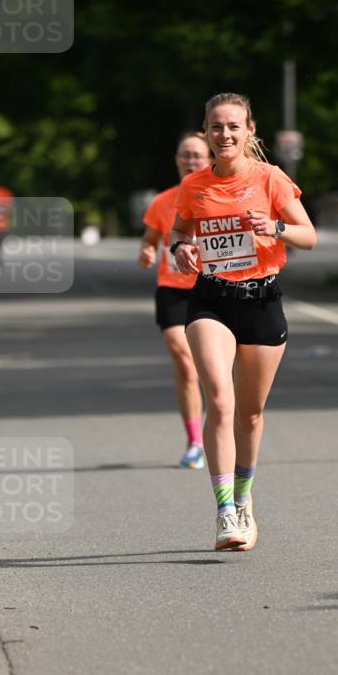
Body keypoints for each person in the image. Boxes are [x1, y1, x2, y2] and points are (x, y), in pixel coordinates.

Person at [169, 92, 316, 551]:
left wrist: (274, 228)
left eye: (233, 126)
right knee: (220, 398)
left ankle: (246, 498)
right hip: (211, 300)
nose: (225, 134)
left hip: (261, 302)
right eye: (216, 127)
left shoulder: (270, 179)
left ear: (250, 130)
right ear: (206, 131)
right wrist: (181, 248)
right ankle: (225, 512)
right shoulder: (194, 185)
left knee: (250, 414)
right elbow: (179, 230)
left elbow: (308, 236)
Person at [138, 132, 211, 468]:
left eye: (197, 155)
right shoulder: (163, 201)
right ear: (176, 160)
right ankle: (195, 441)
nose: (191, 161)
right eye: (185, 155)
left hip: (213, 285)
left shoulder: (218, 196)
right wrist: (148, 249)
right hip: (173, 288)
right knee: (184, 360)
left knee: (216, 369)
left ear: (209, 158)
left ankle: (220, 428)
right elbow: (152, 236)